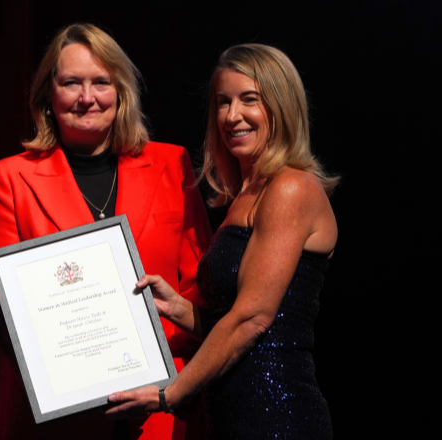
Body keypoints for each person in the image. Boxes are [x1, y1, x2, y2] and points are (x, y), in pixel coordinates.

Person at [0, 24, 212, 440]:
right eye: (71, 83)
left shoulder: (171, 165)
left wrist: (167, 380)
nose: (87, 98)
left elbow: (200, 286)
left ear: (120, 91)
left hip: (162, 406)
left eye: (101, 82)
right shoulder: (10, 177)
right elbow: (2, 301)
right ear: (48, 94)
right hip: (62, 418)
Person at [106, 43, 339, 439]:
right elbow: (232, 319)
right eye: (222, 102)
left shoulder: (290, 188)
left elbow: (253, 319)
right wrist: (180, 308)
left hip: (278, 417)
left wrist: (169, 394)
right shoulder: (243, 196)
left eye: (249, 100)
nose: (232, 116)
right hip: (231, 414)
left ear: (280, 107)